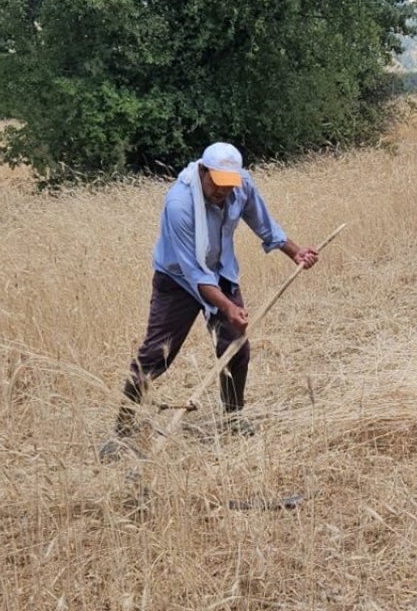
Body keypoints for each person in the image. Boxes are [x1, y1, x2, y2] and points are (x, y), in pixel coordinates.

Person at [99, 142, 319, 461]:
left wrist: (295, 252)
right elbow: (195, 274)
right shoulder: (179, 204)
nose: (222, 192)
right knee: (153, 355)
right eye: (216, 183)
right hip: (177, 280)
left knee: (236, 347)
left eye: (228, 185)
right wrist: (228, 307)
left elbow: (265, 225)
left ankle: (232, 418)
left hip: (221, 273)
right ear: (202, 171)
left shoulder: (239, 185)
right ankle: (121, 432)